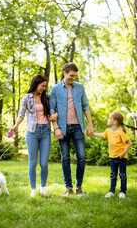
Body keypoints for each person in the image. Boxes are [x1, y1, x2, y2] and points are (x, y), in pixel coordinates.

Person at [49, 62, 94, 197]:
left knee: (81, 157)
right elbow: (52, 110)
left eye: (75, 76)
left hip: (78, 127)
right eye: (71, 75)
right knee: (65, 158)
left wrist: (90, 125)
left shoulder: (79, 87)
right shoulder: (55, 89)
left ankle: (78, 187)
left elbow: (85, 106)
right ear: (64, 73)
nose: (73, 78)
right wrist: (56, 128)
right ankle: (68, 187)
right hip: (62, 128)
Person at [12, 75, 57, 197]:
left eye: (45, 86)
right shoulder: (27, 98)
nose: (44, 88)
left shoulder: (46, 97)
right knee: (32, 163)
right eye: (42, 85)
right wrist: (15, 125)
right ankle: (33, 189)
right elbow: (21, 114)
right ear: (36, 84)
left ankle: (43, 187)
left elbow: (54, 110)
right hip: (32, 132)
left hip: (46, 132)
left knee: (44, 163)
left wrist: (56, 115)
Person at [93, 111, 133, 199]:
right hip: (112, 158)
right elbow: (102, 135)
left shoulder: (120, 132)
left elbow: (129, 143)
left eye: (109, 118)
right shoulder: (108, 131)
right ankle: (112, 191)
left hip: (121, 158)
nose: (108, 119)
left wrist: (123, 153)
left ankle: (122, 192)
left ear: (115, 121)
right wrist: (93, 134)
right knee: (113, 175)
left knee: (122, 175)